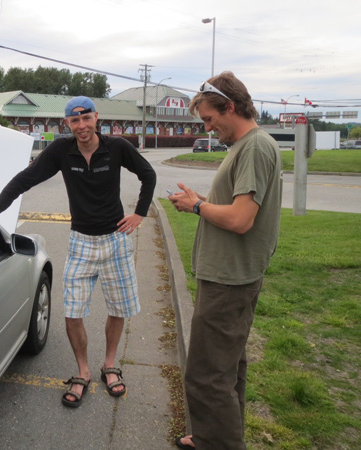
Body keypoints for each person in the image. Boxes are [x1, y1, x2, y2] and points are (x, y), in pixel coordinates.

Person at [0, 96, 156, 408]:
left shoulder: (117, 147)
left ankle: (109, 365)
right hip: (81, 242)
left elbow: (148, 174)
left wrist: (139, 213)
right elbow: (25, 179)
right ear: (67, 123)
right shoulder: (61, 150)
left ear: (96, 118)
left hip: (115, 240)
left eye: (86, 119)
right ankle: (82, 371)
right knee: (73, 312)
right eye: (75, 120)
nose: (82, 126)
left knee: (118, 308)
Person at [169, 72, 282, 449]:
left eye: (208, 118)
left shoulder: (253, 147)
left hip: (229, 280)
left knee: (205, 375)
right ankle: (213, 435)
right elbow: (235, 208)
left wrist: (198, 205)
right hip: (232, 275)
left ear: (229, 106)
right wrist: (200, 202)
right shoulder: (250, 146)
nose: (207, 127)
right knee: (227, 368)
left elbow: (240, 219)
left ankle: (216, 442)